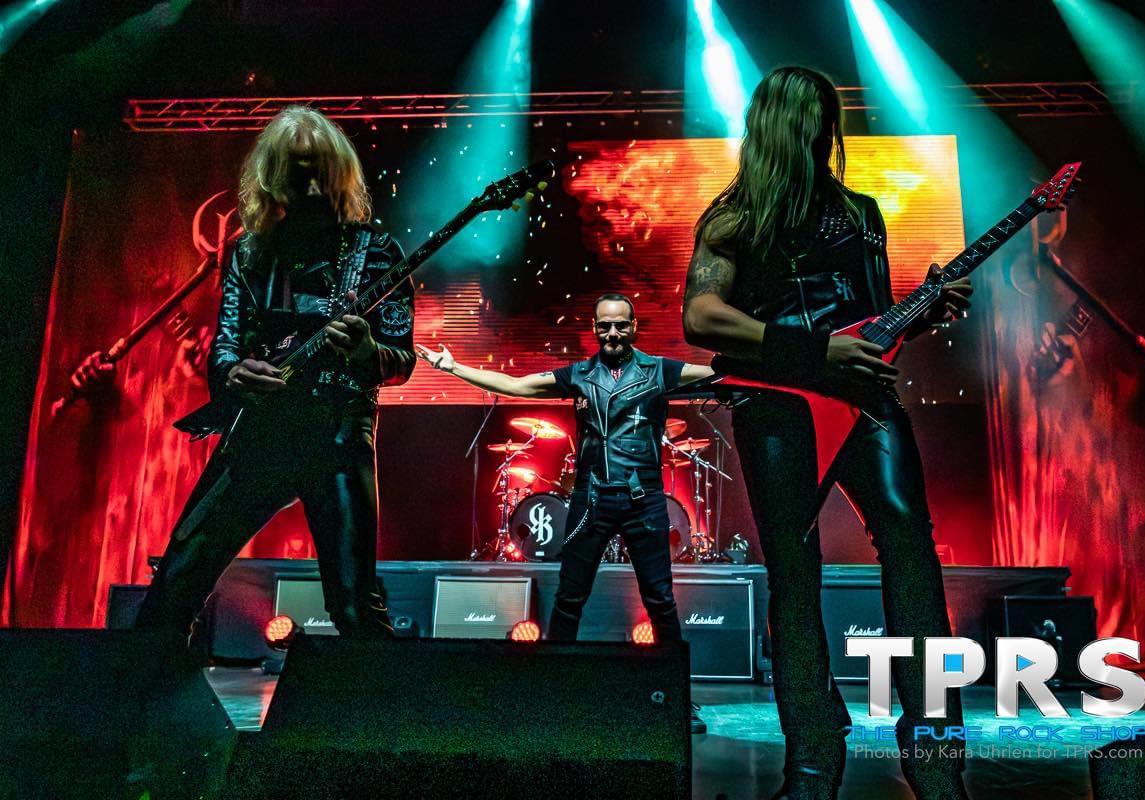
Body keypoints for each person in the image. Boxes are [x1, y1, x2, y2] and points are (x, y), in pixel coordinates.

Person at [682, 67, 973, 800]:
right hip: (780, 407)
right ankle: (812, 762)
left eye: (826, 117)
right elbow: (700, 316)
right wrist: (812, 350)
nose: (820, 129)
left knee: (913, 554)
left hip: (866, 402)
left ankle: (937, 754)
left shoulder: (862, 212)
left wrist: (924, 313)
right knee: (794, 572)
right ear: (777, 123)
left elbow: (871, 328)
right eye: (807, 116)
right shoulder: (734, 217)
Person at [135, 106, 416, 639]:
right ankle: (148, 689)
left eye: (316, 172)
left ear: (336, 173)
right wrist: (234, 373)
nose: (308, 186)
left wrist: (365, 352)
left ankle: (383, 694)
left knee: (354, 607)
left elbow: (401, 359)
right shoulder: (248, 252)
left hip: (338, 434)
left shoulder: (378, 253)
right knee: (174, 583)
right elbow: (225, 344)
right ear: (273, 177)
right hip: (261, 435)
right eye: (295, 172)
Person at [418, 293, 712, 732]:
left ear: (634, 326)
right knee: (570, 597)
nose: (613, 333)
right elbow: (516, 385)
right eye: (605, 325)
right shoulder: (578, 375)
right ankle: (554, 689)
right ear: (595, 329)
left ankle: (678, 698)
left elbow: (719, 374)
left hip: (644, 500)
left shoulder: (660, 371)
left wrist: (767, 355)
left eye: (621, 324)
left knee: (661, 600)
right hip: (590, 499)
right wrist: (453, 367)